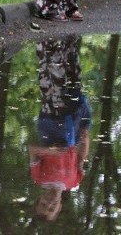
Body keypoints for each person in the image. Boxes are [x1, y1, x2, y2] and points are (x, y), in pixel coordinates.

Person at [28, 35, 91, 222]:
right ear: (60, 207)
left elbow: (32, 149)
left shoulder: (38, 177)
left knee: (53, 83)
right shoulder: (74, 182)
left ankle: (46, 41)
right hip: (72, 127)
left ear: (38, 199)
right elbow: (80, 159)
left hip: (51, 126)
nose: (49, 203)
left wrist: (51, 151)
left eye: (43, 205)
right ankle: (70, 42)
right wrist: (85, 141)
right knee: (73, 83)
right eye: (52, 208)